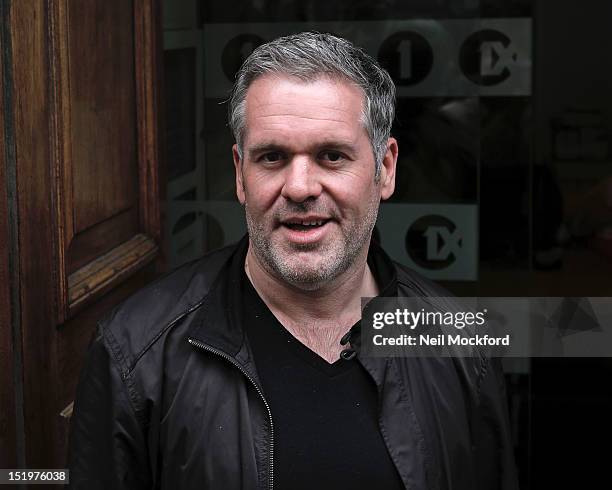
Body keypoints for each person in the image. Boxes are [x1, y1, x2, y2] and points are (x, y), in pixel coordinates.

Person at [68, 32, 518, 489]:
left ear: (385, 169)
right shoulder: (135, 351)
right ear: (240, 174)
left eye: (331, 156)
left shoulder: (462, 343)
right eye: (273, 157)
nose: (300, 187)